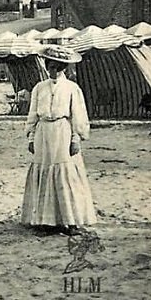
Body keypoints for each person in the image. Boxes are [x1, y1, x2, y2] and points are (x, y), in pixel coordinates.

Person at [21, 46, 97, 235]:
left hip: (62, 132)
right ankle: (46, 222)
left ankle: (71, 221)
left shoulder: (72, 88)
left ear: (63, 67)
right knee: (44, 172)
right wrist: (31, 137)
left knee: (66, 174)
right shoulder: (39, 88)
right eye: (50, 66)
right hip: (43, 133)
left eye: (56, 67)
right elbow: (33, 115)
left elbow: (77, 116)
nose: (52, 70)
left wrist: (75, 138)